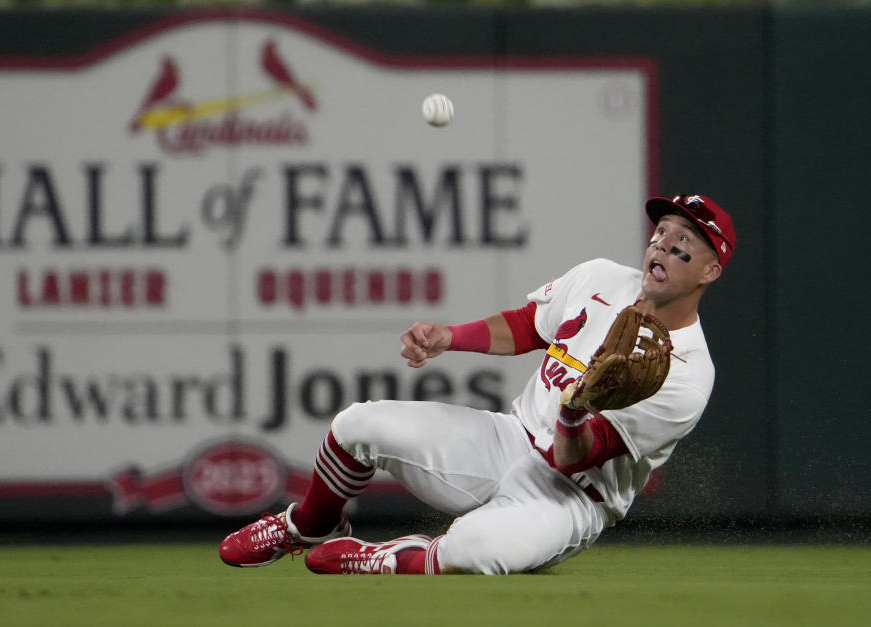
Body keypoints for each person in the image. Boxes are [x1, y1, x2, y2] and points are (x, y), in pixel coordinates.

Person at [219, 194, 736, 575]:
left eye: (683, 241)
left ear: (711, 270)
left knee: (478, 551)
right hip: (507, 439)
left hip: (570, 496)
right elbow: (529, 325)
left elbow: (573, 459)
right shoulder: (602, 278)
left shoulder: (688, 373)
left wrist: (574, 413)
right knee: (358, 424)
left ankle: (382, 557)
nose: (663, 243)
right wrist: (450, 336)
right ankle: (309, 523)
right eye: (662, 230)